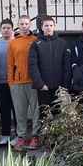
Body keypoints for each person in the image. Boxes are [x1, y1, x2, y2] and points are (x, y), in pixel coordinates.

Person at [28, 15, 71, 149]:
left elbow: (66, 66)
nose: (48, 28)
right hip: (44, 87)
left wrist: (64, 86)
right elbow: (33, 66)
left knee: (58, 112)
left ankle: (58, 141)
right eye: (46, 25)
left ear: (54, 27)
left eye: (51, 25)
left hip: (59, 87)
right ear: (42, 28)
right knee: (45, 114)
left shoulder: (62, 43)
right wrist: (40, 84)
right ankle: (47, 141)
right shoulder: (36, 44)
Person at [8, 15, 39, 152]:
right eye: (22, 24)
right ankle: (21, 136)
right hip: (18, 81)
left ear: (30, 25)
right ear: (18, 25)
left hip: (33, 82)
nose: (24, 26)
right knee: (20, 112)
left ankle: (35, 136)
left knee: (36, 110)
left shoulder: (36, 40)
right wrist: (11, 81)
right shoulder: (13, 43)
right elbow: (10, 63)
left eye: (26, 23)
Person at [0, 19, 15, 145]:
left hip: (15, 82)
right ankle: (5, 134)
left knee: (16, 109)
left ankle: (19, 135)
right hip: (0, 82)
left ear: (12, 29)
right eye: (3, 28)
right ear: (0, 30)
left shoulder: (16, 43)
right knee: (4, 109)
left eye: (8, 28)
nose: (6, 30)